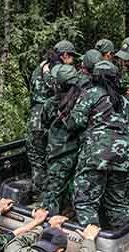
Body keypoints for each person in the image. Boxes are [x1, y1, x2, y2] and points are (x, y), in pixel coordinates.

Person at [67, 61, 129, 229]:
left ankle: (91, 244)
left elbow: (75, 123)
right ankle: (124, 243)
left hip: (96, 157)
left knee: (86, 204)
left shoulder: (92, 94)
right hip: (123, 159)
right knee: (117, 205)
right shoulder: (125, 99)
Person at [26, 40, 80, 199]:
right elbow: (57, 86)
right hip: (47, 118)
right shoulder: (55, 70)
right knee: (53, 162)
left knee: (37, 163)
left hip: (34, 117)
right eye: (72, 56)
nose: (73, 60)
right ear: (64, 55)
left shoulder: (40, 67)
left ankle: (37, 198)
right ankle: (50, 200)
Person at [41, 64, 86, 215]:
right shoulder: (82, 103)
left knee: (51, 196)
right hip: (78, 155)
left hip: (58, 156)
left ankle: (49, 230)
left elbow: (44, 124)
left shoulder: (51, 104)